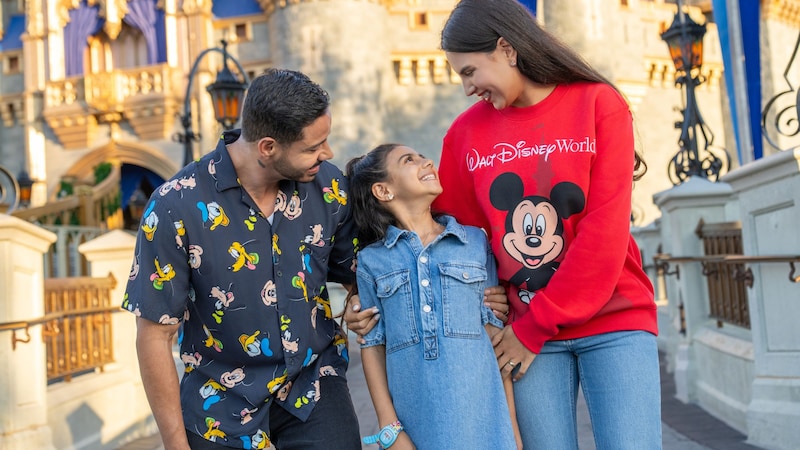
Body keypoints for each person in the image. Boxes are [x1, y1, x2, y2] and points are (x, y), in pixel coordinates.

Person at [347, 0, 662, 449]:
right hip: (523, 334)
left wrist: (531, 330)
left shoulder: (599, 103)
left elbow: (604, 235)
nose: (467, 87)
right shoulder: (464, 134)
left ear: (506, 49)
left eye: (469, 71)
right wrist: (362, 295)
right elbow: (442, 234)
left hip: (611, 323)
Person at [123, 69, 363, 450]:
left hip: (313, 383)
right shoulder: (174, 207)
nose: (328, 154)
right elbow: (155, 334)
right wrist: (174, 444)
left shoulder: (330, 187)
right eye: (312, 147)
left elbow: (356, 270)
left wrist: (354, 300)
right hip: (218, 404)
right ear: (267, 147)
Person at [346, 143, 521, 450]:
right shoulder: (372, 262)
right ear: (384, 191)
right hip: (415, 420)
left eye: (422, 156)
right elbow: (372, 347)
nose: (425, 161)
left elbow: (495, 337)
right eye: (408, 160)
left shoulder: (476, 242)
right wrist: (389, 427)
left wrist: (512, 427)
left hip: (483, 418)